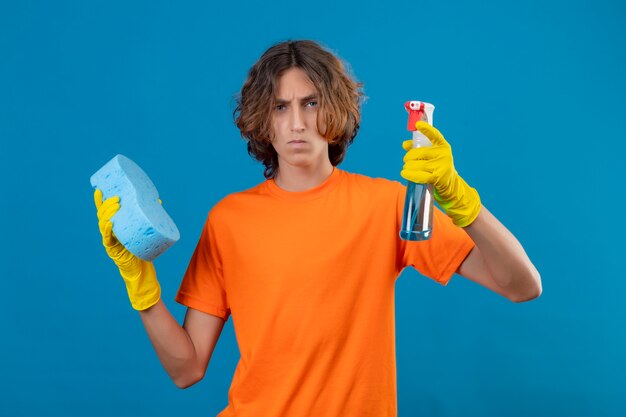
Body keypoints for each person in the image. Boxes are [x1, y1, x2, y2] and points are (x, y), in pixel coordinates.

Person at [93, 39, 541, 416]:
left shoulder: (387, 205)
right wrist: (140, 284)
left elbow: (522, 286)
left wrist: (461, 200)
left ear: (337, 110)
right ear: (261, 121)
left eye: (311, 103)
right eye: (280, 107)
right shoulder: (228, 219)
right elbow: (186, 370)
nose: (297, 123)